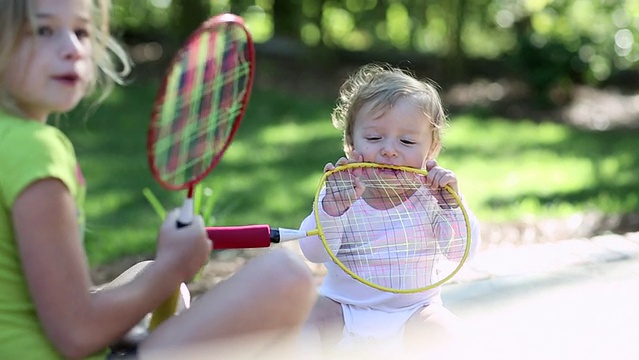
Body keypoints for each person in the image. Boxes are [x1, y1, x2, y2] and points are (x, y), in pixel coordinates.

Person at [0, 0, 316, 359]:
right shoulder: (35, 152)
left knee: (144, 275)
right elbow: (75, 333)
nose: (72, 48)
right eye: (44, 30)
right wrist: (173, 267)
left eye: (81, 31)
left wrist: (157, 275)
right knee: (286, 275)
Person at [297, 63, 482, 358]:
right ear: (350, 143)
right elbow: (314, 253)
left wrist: (451, 206)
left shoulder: (434, 197)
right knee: (301, 325)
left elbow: (461, 252)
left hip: (414, 312)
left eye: (407, 141)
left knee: (449, 334)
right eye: (373, 138)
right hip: (343, 307)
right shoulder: (343, 193)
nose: (389, 150)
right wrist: (332, 211)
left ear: (431, 149)